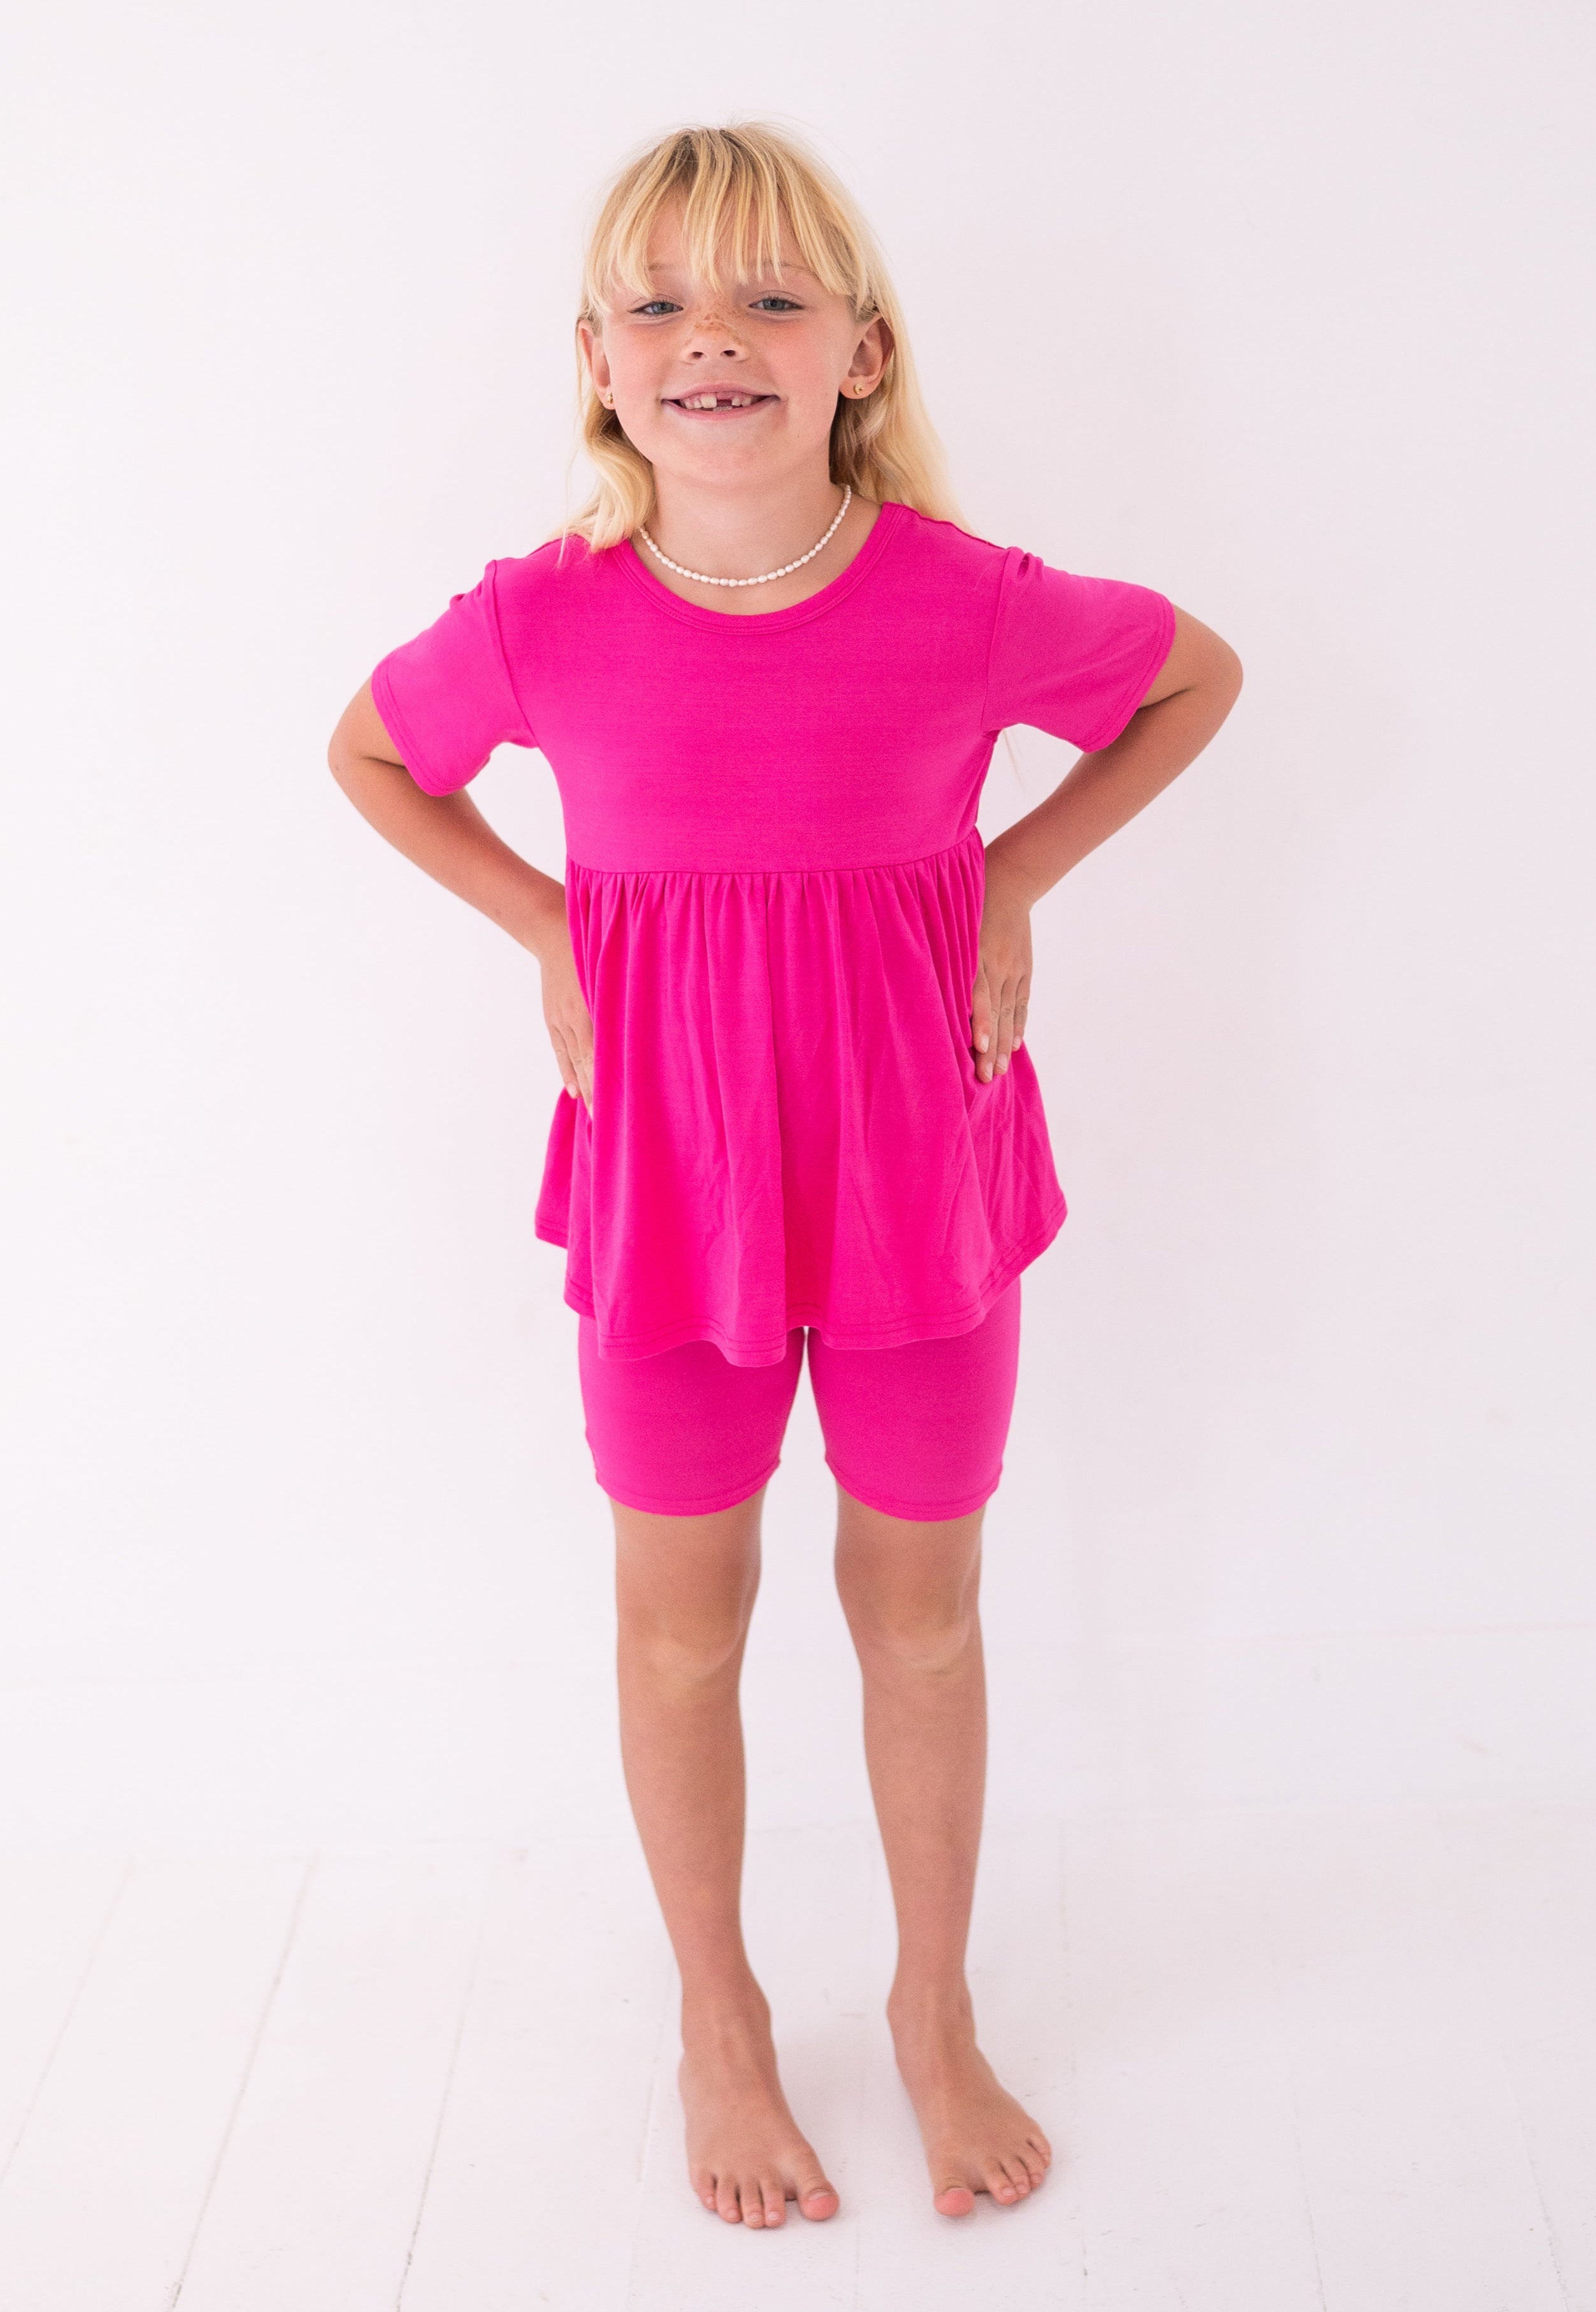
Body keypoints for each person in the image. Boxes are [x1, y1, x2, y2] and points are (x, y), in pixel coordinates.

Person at [327, 120, 1242, 2233]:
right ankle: (718, 2020)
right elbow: (371, 754)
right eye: (658, 303)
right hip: (671, 1177)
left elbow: (1193, 677)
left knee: (920, 1614)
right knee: (681, 1622)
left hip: (919, 1153)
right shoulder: (545, 621)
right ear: (596, 362)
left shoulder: (964, 596)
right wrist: (554, 927)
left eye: (764, 298)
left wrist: (1012, 871)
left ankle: (932, 2010)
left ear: (859, 351)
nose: (708, 338)